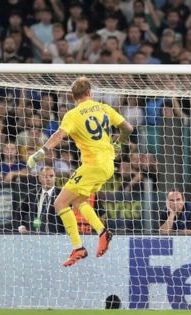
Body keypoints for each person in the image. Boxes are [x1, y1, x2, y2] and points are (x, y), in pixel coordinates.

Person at [27, 76, 134, 267]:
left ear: (72, 96)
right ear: (89, 93)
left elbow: (59, 135)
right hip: (108, 165)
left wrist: (41, 152)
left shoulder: (73, 114)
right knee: (78, 201)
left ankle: (78, 247)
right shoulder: (104, 108)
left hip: (92, 165)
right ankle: (103, 232)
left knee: (60, 203)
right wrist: (118, 143)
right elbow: (128, 127)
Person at [16, 166, 63, 234]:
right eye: (45, 176)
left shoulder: (61, 194)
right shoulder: (32, 194)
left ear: (55, 178)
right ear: (39, 179)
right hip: (36, 235)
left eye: (51, 176)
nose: (48, 179)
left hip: (57, 236)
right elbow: (20, 211)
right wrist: (21, 225)